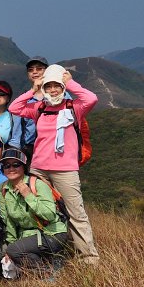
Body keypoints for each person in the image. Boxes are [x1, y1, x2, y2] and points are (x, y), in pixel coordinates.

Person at [8, 65, 99, 264]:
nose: (53, 90)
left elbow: (91, 98)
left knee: (75, 213)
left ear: (62, 86)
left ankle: (89, 258)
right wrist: (34, 89)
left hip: (66, 169)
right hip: (39, 168)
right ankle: (48, 253)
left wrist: (71, 82)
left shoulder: (74, 107)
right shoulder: (39, 108)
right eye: (48, 86)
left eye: (56, 86)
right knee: (39, 211)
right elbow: (14, 107)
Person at [0, 148, 69, 274]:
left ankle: (50, 272)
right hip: (30, 237)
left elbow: (50, 215)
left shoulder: (37, 184)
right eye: (7, 166)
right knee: (12, 251)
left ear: (24, 166)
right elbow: (9, 222)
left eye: (16, 164)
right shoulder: (3, 189)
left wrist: (28, 195)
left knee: (15, 251)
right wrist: (11, 247)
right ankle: (52, 264)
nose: (11, 168)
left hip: (52, 233)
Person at [15, 56, 49, 160]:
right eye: (31, 70)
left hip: (54, 147)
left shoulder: (61, 96)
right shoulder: (25, 99)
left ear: (47, 71)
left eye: (39, 69)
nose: (35, 72)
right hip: (30, 150)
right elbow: (17, 131)